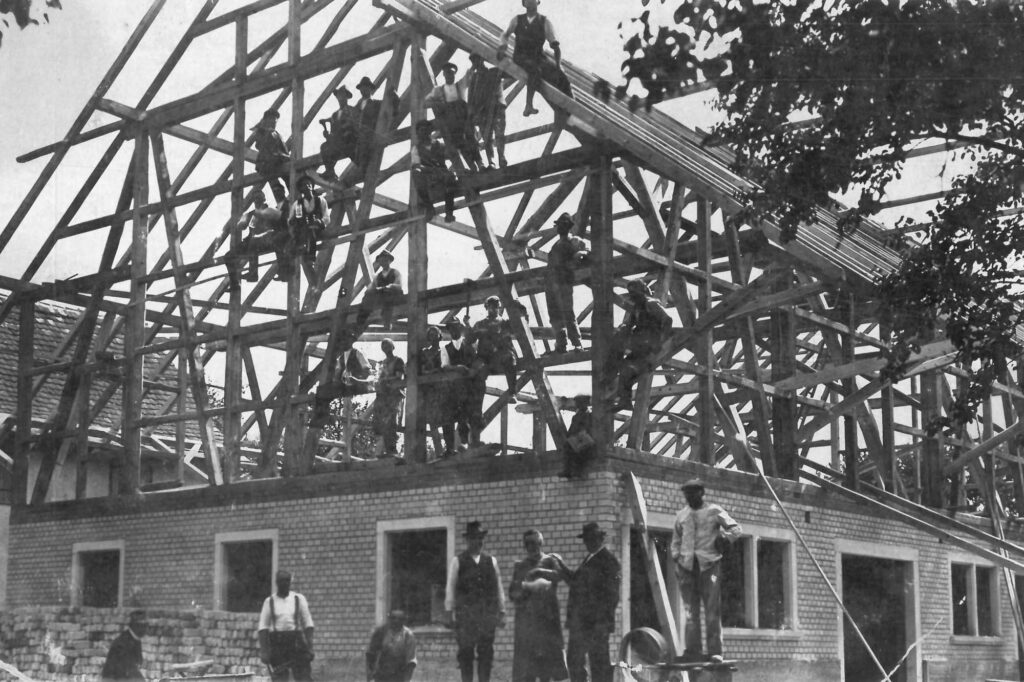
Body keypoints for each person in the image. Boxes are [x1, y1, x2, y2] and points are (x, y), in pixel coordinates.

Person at [670, 478, 742, 665]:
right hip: (687, 568)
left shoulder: (714, 511)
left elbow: (736, 529)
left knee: (711, 610)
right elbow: (676, 539)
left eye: (693, 493)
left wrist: (725, 539)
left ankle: (715, 652)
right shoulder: (681, 515)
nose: (689, 497)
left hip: (709, 566)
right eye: (686, 494)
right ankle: (692, 650)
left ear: (701, 493)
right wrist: (677, 556)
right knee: (690, 612)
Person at [552, 522, 620, 682]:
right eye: (586, 540)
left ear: (599, 539)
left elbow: (612, 596)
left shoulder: (610, 561)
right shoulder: (590, 559)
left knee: (599, 665)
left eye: (591, 539)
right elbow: (576, 582)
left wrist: (601, 622)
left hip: (596, 625)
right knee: (574, 661)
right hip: (581, 624)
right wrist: (561, 565)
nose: (588, 543)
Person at [445, 521, 507, 682]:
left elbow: (498, 587)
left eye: (480, 538)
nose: (478, 542)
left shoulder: (491, 561)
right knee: (466, 654)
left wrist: (502, 611)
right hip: (466, 618)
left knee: (486, 654)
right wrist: (449, 612)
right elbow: (450, 588)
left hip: (487, 617)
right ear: (467, 541)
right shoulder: (458, 561)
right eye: (474, 538)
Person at [509, 530, 568, 682]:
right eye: (528, 543)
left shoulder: (550, 561)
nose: (531, 547)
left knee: (546, 671)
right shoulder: (520, 566)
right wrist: (526, 586)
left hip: (547, 623)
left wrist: (538, 571)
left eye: (534, 543)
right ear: (524, 545)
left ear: (541, 544)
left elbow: (559, 575)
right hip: (528, 626)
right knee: (527, 672)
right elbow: (513, 593)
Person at [497, 0, 572, 117]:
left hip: (538, 57)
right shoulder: (517, 19)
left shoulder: (545, 21)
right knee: (534, 70)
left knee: (562, 77)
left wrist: (558, 66)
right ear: (524, 3)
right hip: (521, 56)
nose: (530, 1)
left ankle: (569, 110)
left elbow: (555, 45)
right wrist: (502, 47)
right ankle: (528, 105)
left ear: (538, 2)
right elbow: (504, 35)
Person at [611, 280, 672, 410]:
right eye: (630, 292)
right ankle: (624, 400)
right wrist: (624, 328)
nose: (632, 295)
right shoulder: (637, 307)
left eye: (634, 292)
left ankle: (624, 400)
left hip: (648, 348)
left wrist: (660, 343)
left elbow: (667, 320)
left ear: (642, 290)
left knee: (627, 369)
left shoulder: (650, 304)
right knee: (623, 368)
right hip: (639, 347)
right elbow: (630, 323)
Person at [258, 570, 315, 682]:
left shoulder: (298, 599)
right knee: (280, 678)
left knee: (304, 677)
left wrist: (310, 647)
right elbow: (263, 627)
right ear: (277, 583)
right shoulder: (269, 601)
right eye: (281, 581)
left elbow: (308, 624)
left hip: (296, 643)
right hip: (278, 644)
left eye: (287, 581)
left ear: (290, 582)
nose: (284, 584)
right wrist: (264, 651)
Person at [425, 63, 483, 173]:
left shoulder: (460, 85)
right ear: (444, 74)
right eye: (447, 73)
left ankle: (480, 164)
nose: (449, 75)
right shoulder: (438, 91)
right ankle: (473, 168)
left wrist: (474, 63)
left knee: (472, 141)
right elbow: (425, 102)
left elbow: (469, 74)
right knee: (460, 145)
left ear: (455, 74)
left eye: (451, 73)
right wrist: (438, 103)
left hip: (464, 119)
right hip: (452, 123)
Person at [309, 328, 371, 428]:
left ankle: (323, 418)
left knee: (326, 392)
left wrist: (356, 378)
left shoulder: (357, 353)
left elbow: (367, 370)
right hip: (344, 385)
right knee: (322, 391)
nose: (345, 342)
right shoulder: (341, 356)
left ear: (351, 341)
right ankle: (322, 418)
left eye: (347, 340)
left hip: (356, 384)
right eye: (344, 340)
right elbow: (338, 372)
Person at [226, 190, 288, 290]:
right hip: (253, 242)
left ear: (263, 199)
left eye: (259, 198)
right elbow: (241, 226)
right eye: (255, 199)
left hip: (267, 240)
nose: (257, 201)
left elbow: (282, 222)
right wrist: (242, 220)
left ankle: (253, 273)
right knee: (228, 256)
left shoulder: (270, 211)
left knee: (254, 242)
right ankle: (235, 284)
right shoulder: (252, 214)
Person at [545, 213, 588, 354]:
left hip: (563, 281)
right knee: (554, 315)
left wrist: (579, 255)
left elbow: (586, 252)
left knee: (567, 313)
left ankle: (576, 343)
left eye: (562, 225)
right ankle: (561, 343)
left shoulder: (575, 241)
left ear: (568, 227)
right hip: (551, 282)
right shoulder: (555, 245)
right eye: (558, 225)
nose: (559, 228)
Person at [469, 296, 519, 405]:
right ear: (486, 308)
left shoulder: (505, 323)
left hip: (499, 357)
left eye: (496, 307)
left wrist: (519, 309)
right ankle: (476, 405)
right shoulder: (480, 324)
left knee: (509, 358)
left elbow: (520, 326)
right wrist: (468, 325)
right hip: (484, 358)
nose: (494, 309)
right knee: (475, 371)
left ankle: (512, 392)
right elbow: (470, 339)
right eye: (491, 307)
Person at [466, 53, 508, 169]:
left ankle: (501, 157)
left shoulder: (494, 71)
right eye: (473, 61)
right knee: (487, 137)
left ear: (483, 59)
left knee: (499, 134)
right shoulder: (474, 78)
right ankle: (491, 161)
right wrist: (472, 114)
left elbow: (510, 70)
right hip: (482, 111)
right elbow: (470, 98)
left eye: (477, 60)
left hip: (497, 108)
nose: (476, 63)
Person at [411, 119, 459, 223]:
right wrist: (427, 169)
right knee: (416, 173)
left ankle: (449, 213)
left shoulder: (439, 145)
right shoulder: (416, 149)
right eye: (420, 131)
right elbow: (416, 164)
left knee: (450, 178)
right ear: (417, 133)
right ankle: (429, 208)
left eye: (424, 130)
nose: (422, 133)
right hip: (428, 174)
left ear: (429, 131)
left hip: (441, 173)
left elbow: (453, 155)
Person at [419, 325, 456, 455]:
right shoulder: (424, 352)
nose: (433, 337)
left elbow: (446, 366)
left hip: (443, 389)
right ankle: (438, 451)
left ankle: (450, 448)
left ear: (440, 336)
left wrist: (434, 371)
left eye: (435, 334)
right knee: (432, 420)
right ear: (428, 338)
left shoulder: (444, 350)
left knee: (447, 419)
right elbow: (421, 369)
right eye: (431, 335)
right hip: (430, 390)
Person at [444, 319, 476, 452]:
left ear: (460, 329)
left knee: (465, 415)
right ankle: (450, 448)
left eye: (456, 328)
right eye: (451, 329)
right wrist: (457, 367)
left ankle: (464, 443)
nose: (453, 331)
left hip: (467, 386)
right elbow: (444, 366)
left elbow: (474, 359)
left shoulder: (469, 344)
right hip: (452, 387)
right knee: (449, 416)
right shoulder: (446, 348)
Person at [372, 338, 406, 457]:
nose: (385, 347)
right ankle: (383, 450)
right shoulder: (381, 363)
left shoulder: (398, 360)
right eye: (383, 345)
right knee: (379, 421)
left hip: (394, 395)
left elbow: (399, 377)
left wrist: (385, 380)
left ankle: (392, 450)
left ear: (393, 346)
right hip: (382, 396)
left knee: (391, 422)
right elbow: (377, 378)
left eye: (388, 345)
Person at [356, 249, 404, 332]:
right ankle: (360, 323)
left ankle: (387, 322)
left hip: (393, 295)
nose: (384, 262)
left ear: (389, 261)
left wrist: (390, 286)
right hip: (382, 295)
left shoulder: (395, 272)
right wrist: (372, 290)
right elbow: (370, 288)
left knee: (388, 296)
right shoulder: (378, 276)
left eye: (386, 260)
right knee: (367, 297)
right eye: (382, 260)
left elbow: (399, 286)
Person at [366, 609, 417, 682]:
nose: (396, 621)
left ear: (403, 621)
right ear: (389, 619)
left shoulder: (408, 635)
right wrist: (370, 677)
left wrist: (407, 679)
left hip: (400, 675)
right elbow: (371, 655)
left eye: (399, 619)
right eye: (393, 618)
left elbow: (411, 661)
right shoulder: (381, 632)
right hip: (381, 674)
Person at [319, 85, 358, 180]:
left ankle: (331, 172)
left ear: (347, 97)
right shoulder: (335, 115)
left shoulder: (352, 110)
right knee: (324, 146)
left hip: (350, 141)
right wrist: (328, 136)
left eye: (343, 95)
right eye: (339, 95)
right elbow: (334, 133)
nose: (341, 98)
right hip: (339, 143)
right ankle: (330, 172)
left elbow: (353, 127)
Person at [288, 174, 330, 262]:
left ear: (312, 186)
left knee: (311, 231)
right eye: (304, 185)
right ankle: (305, 255)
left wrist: (320, 221)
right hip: (303, 228)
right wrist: (294, 221)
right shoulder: (297, 204)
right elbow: (291, 219)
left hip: (317, 227)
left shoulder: (320, 200)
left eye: (309, 184)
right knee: (304, 233)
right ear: (301, 189)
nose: (307, 186)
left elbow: (326, 217)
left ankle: (311, 257)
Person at [251, 108, 290, 203]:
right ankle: (282, 202)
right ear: (267, 119)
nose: (274, 122)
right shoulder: (264, 132)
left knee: (288, 181)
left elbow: (280, 149)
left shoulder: (274, 133)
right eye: (273, 120)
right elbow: (261, 145)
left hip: (276, 161)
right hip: (269, 162)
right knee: (276, 184)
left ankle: (287, 201)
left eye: (275, 121)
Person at [100, 610, 146, 681]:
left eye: (145, 625)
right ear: (133, 625)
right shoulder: (123, 642)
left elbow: (138, 662)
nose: (144, 629)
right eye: (141, 625)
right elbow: (127, 669)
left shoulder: (135, 639)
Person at [558, 395, 594, 479]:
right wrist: (569, 438)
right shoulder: (576, 416)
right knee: (568, 447)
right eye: (577, 403)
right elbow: (571, 430)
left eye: (579, 403)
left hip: (586, 439)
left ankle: (580, 472)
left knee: (580, 451)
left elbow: (588, 428)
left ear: (585, 404)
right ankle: (568, 471)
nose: (577, 405)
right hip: (577, 439)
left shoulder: (589, 415)